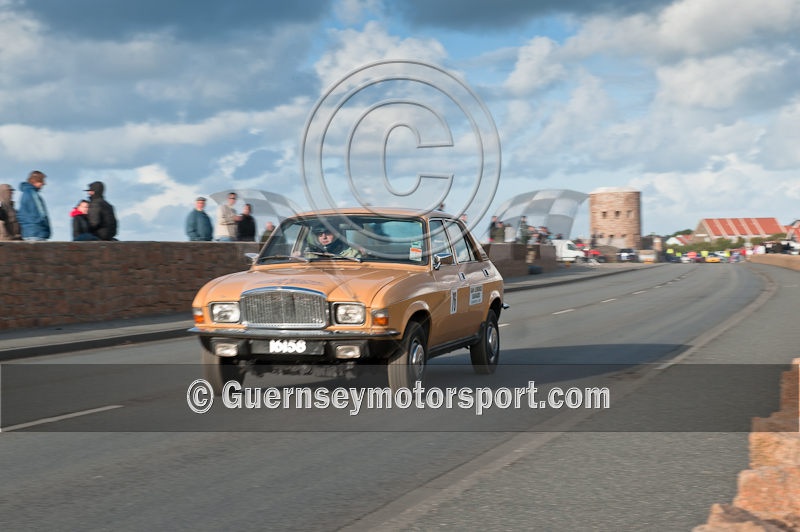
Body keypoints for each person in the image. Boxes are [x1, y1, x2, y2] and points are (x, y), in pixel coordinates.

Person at [17, 170, 51, 241]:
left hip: (29, 232)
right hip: (36, 233)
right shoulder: (32, 194)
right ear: (35, 181)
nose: (44, 184)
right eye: (42, 181)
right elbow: (41, 214)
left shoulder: (26, 193)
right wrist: (45, 229)